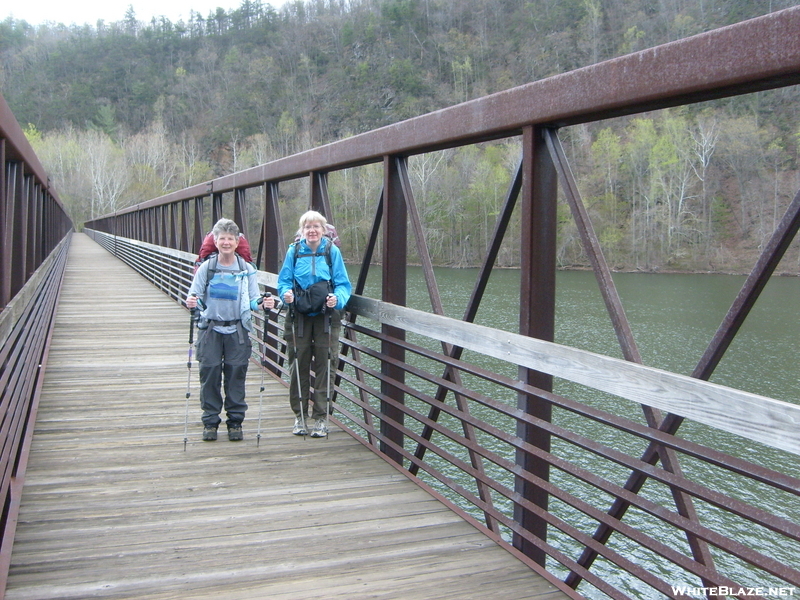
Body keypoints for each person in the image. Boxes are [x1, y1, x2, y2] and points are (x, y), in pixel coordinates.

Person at [186, 218, 274, 441]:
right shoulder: (207, 267)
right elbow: (193, 295)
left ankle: (235, 422)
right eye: (222, 238)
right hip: (210, 329)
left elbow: (254, 300)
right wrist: (191, 302)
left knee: (236, 374)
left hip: (237, 329)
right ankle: (210, 422)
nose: (226, 242)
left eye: (230, 239)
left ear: (237, 242)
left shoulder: (246, 269)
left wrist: (263, 304)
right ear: (215, 241)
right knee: (210, 373)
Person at [277, 210, 351, 438]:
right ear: (302, 231)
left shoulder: (331, 252)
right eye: (307, 226)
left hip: (326, 316)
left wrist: (338, 299)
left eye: (316, 226)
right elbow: (284, 281)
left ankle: (320, 418)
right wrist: (286, 294)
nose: (312, 230)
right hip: (298, 316)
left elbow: (343, 284)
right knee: (297, 365)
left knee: (325, 364)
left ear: (323, 230)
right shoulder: (294, 251)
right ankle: (299, 416)